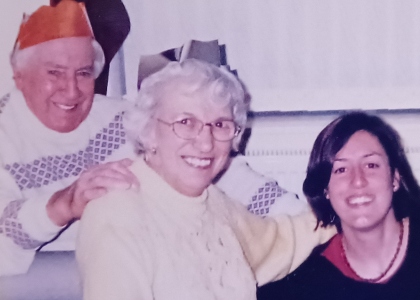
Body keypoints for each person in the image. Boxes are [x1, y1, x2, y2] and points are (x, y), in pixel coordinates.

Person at [0, 0, 305, 278]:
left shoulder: (119, 118)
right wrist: (61, 205)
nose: (71, 90)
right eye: (54, 73)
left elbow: (219, 170)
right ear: (19, 74)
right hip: (38, 281)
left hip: (140, 265)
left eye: (83, 73)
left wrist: (303, 221)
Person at [76, 59, 335, 299]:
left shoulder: (214, 202)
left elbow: (281, 241)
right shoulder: (117, 215)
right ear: (149, 131)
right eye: (186, 122)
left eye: (220, 124)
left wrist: (348, 207)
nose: (205, 142)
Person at [258, 112, 420, 300]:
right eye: (340, 169)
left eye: (371, 165)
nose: (358, 180)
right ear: (325, 190)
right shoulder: (308, 279)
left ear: (395, 178)